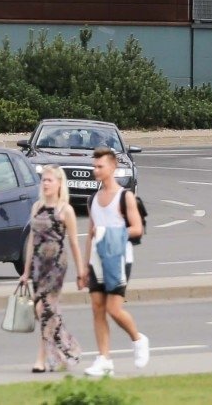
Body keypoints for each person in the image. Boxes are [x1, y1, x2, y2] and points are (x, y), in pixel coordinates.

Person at [80, 146, 148, 376]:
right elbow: (90, 234)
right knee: (97, 308)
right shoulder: (93, 199)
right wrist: (84, 267)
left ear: (112, 166)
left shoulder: (125, 197)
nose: (96, 170)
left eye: (100, 166)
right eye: (94, 166)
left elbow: (137, 229)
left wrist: (109, 233)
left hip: (119, 258)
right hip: (97, 259)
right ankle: (104, 359)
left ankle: (138, 339)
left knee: (114, 309)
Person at [20, 166, 85, 373]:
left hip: (56, 264)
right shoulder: (37, 207)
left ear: (59, 184)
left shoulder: (65, 210)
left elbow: (74, 243)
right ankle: (67, 349)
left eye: (50, 180)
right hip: (38, 264)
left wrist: (81, 272)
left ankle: (41, 359)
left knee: (44, 309)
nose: (46, 183)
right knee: (46, 311)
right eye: (44, 180)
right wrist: (26, 271)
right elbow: (32, 240)